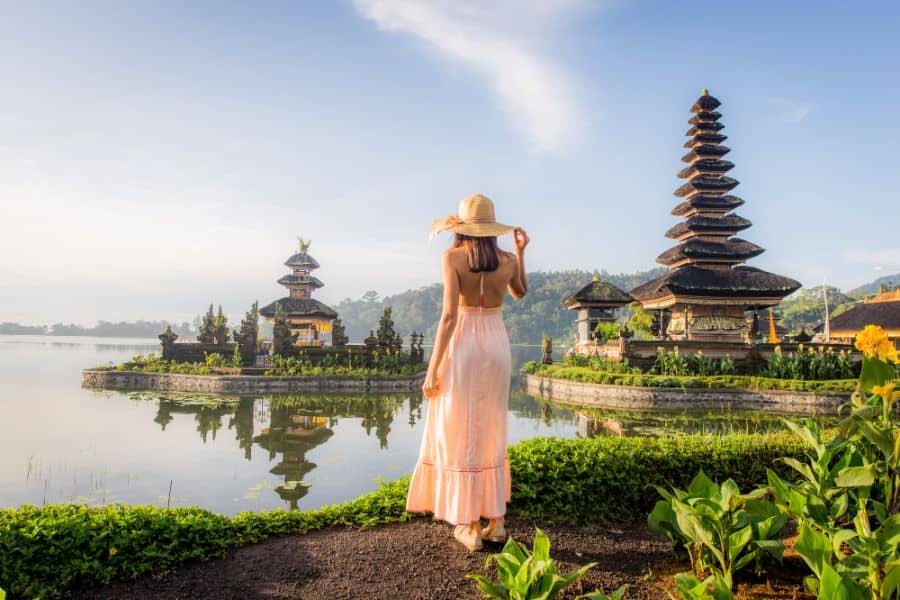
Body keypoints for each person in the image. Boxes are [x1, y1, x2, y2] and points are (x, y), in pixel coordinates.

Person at [406, 193, 529, 551]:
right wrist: (520, 252)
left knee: (457, 425)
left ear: (461, 228)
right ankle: (497, 522)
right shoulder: (506, 260)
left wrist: (432, 369)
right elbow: (520, 292)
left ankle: (470, 525)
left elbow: (448, 316)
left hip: (463, 344)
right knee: (491, 424)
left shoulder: (453, 257)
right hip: (496, 343)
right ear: (492, 230)